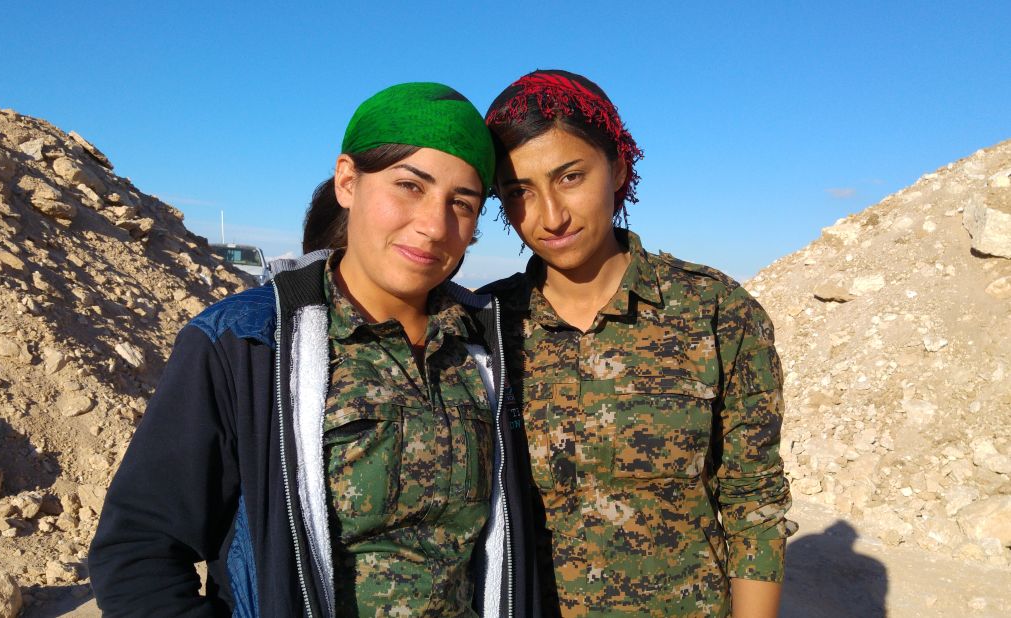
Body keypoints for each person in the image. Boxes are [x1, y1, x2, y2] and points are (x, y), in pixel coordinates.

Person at [89, 82, 539, 617]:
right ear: (348, 181)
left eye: (461, 204)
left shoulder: (487, 349)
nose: (433, 226)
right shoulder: (246, 344)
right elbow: (140, 550)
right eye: (408, 187)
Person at [478, 69, 797, 617]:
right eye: (519, 192)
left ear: (618, 167)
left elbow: (754, 504)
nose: (551, 216)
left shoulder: (717, 312)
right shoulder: (483, 326)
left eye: (570, 176)